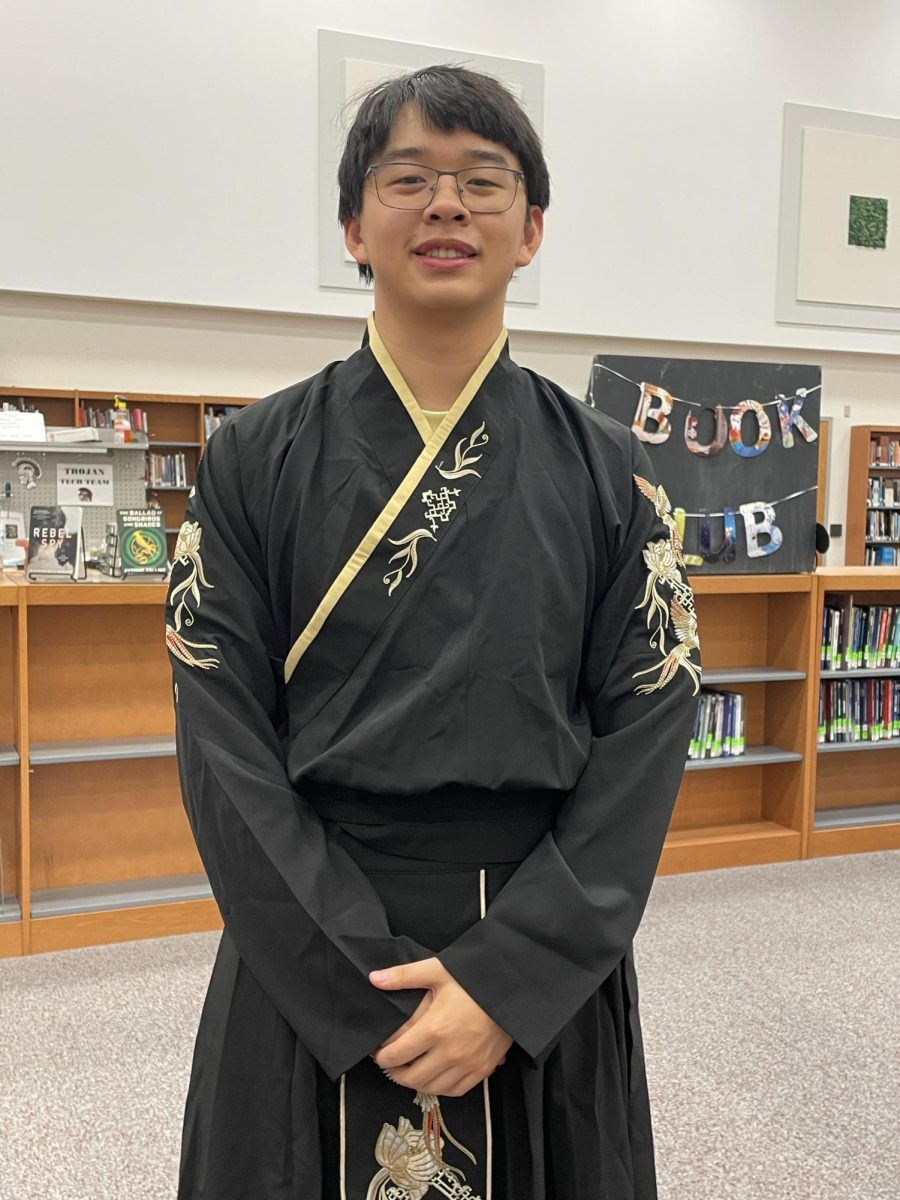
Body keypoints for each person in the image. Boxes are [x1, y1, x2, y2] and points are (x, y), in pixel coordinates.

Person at [166, 64, 700, 1200]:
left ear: (532, 229)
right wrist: (357, 983)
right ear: (354, 227)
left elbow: (650, 731)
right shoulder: (249, 460)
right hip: (309, 936)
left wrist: (514, 979)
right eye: (409, 180)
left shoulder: (612, 473)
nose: (447, 206)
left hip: (541, 943)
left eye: (482, 182)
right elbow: (221, 742)